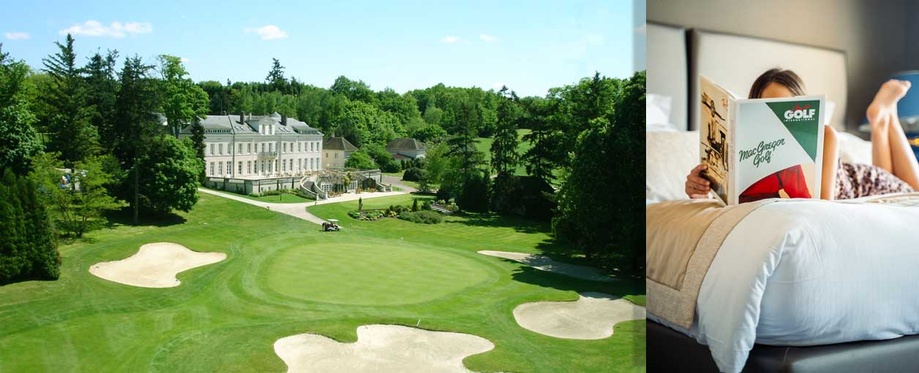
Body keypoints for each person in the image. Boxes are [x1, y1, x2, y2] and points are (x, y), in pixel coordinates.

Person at [685, 68, 919, 201]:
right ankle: (880, 119)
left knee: (915, 191)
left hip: (862, 183)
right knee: (890, 172)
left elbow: (821, 208)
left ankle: (886, 118)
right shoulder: (741, 154)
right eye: (769, 107)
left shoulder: (825, 135)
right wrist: (701, 189)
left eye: (785, 108)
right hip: (864, 177)